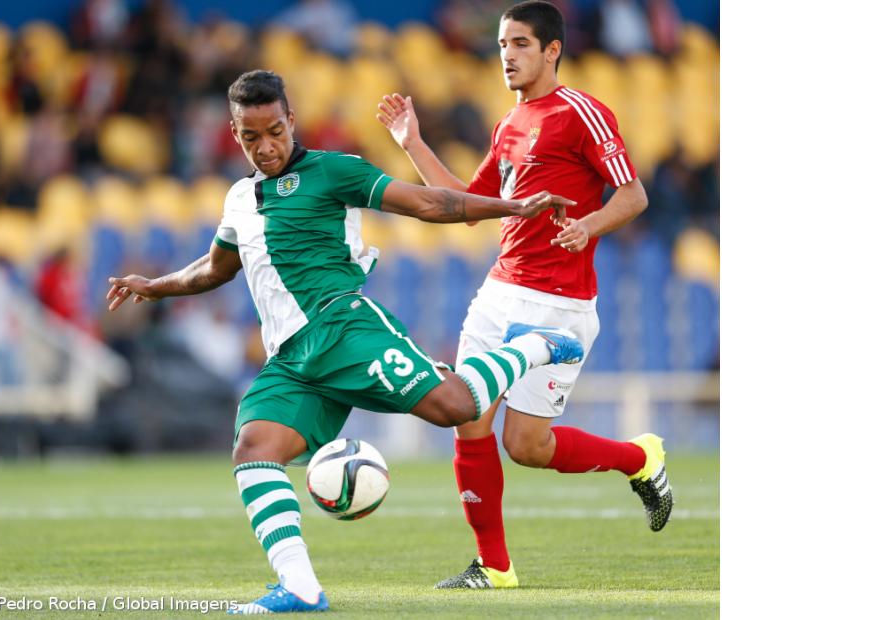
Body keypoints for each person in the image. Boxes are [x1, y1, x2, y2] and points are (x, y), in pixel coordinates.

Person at [106, 69, 583, 614]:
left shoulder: (333, 171)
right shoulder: (240, 198)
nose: (266, 147)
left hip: (344, 327)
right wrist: (155, 287)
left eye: (274, 131)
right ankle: (302, 588)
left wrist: (511, 207)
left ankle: (536, 344)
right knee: (254, 448)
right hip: (290, 358)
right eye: (250, 137)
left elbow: (431, 205)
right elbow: (214, 271)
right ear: (234, 135)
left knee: (454, 407)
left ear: (291, 121)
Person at [375, 0, 669, 590]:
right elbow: (466, 206)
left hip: (558, 306)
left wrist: (588, 226)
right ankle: (494, 567)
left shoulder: (581, 112)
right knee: (466, 415)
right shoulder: (508, 124)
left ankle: (641, 460)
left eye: (520, 44)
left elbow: (632, 196)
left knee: (527, 446)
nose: (506, 54)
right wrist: (411, 141)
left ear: (551, 50)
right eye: (503, 44)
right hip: (498, 294)